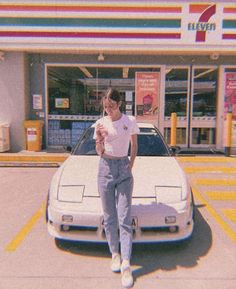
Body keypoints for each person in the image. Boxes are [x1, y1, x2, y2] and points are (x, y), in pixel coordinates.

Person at [93, 88, 140, 288]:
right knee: (109, 216)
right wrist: (100, 139)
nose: (108, 111)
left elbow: (134, 145)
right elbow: (99, 151)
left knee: (124, 218)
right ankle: (114, 253)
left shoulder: (129, 121)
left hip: (123, 169)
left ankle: (126, 264)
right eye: (105, 107)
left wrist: (130, 163)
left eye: (111, 106)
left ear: (119, 104)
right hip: (104, 168)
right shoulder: (101, 123)